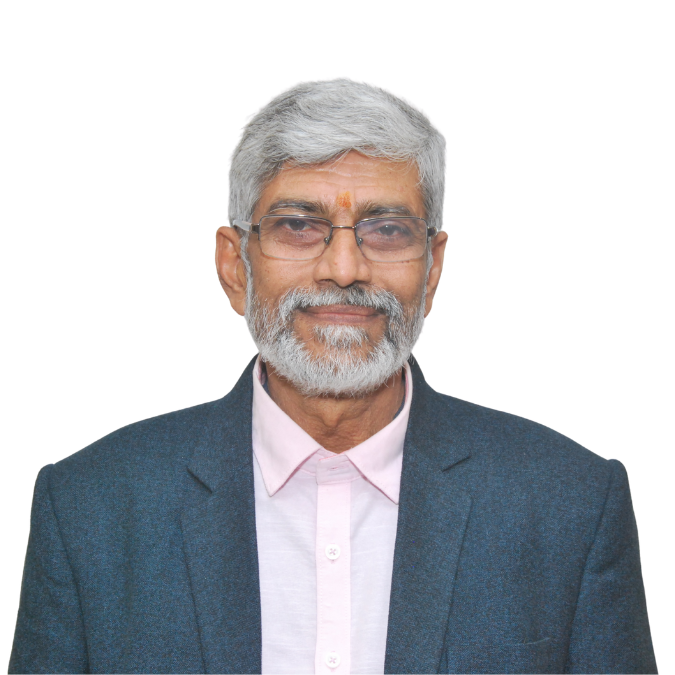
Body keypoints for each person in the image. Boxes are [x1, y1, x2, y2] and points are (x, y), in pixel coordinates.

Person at [9, 77, 657, 674]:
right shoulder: (91, 508)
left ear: (433, 268)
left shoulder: (570, 505)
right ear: (233, 266)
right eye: (298, 225)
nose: (344, 268)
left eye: (386, 229)